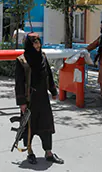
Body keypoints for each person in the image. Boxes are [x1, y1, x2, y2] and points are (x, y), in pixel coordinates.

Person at [15, 32, 64, 164]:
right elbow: (19, 83)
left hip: (43, 98)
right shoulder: (22, 60)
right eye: (35, 42)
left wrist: (53, 91)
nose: (38, 45)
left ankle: (48, 152)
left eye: (39, 42)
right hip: (29, 99)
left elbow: (48, 74)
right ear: (30, 45)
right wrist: (21, 102)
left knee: (46, 124)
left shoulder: (42, 56)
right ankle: (30, 153)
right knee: (29, 126)